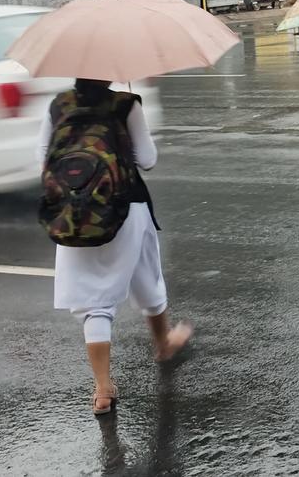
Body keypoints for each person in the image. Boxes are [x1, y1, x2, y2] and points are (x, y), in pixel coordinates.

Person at [37, 78, 192, 415]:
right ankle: (164, 343)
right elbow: (147, 159)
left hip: (73, 214)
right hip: (126, 206)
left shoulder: (58, 105)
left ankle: (103, 388)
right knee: (148, 277)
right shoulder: (126, 103)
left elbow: (43, 160)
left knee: (95, 303)